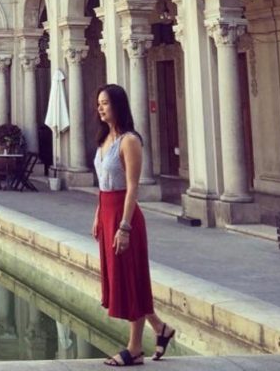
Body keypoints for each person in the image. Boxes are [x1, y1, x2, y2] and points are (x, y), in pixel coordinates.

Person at [92, 83, 175, 366]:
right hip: (107, 212)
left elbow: (132, 187)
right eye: (98, 103)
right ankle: (161, 329)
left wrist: (124, 226)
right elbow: (103, 185)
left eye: (105, 103)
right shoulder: (104, 140)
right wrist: (98, 216)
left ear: (118, 105)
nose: (100, 107)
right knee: (122, 279)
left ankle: (135, 348)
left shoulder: (129, 140)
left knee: (131, 278)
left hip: (124, 217)